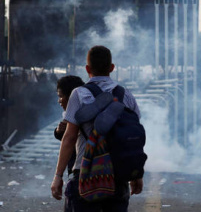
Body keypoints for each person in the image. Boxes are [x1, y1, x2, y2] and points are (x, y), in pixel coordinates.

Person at [51, 45, 143, 212]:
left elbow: (70, 137)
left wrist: (58, 176)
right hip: (118, 176)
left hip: (85, 175)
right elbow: (134, 137)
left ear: (87, 69)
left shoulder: (79, 94)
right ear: (112, 68)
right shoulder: (126, 95)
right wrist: (136, 174)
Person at [54, 75, 85, 178]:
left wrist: (58, 176)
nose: (59, 100)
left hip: (81, 171)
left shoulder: (82, 116)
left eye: (61, 96)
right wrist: (59, 132)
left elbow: (70, 139)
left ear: (71, 97)